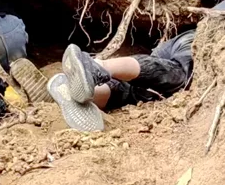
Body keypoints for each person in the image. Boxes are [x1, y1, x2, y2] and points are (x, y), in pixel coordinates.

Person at [48, 29, 196, 132]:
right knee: (182, 77)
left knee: (135, 91)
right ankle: (95, 67)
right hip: (190, 40)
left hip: (163, 55)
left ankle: (76, 90)